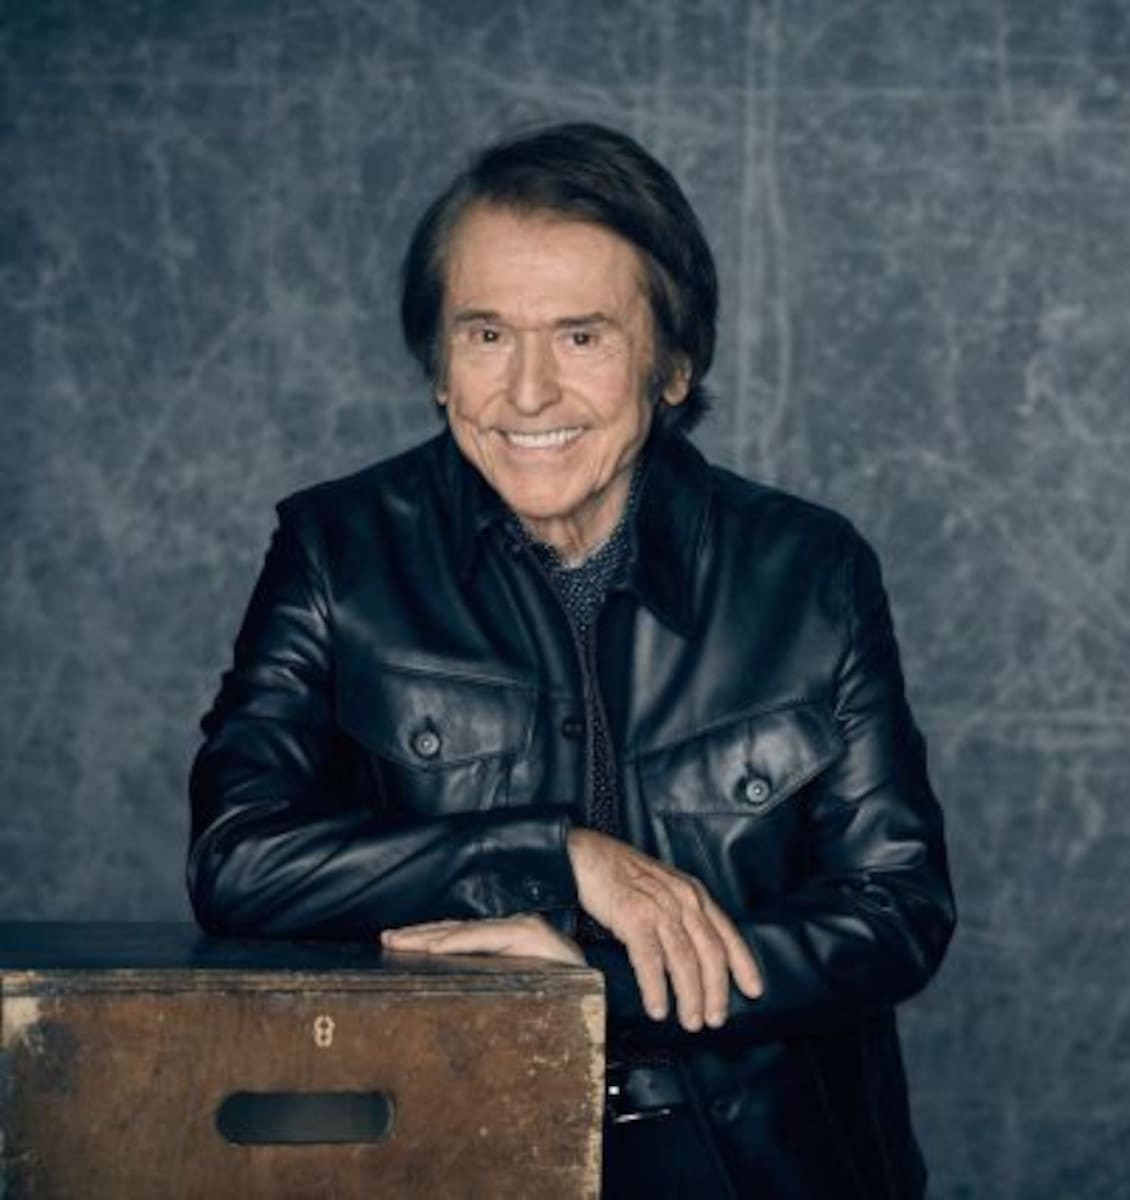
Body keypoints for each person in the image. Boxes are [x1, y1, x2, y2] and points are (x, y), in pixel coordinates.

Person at [188, 121, 955, 1198]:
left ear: (673, 365)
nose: (528, 394)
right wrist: (557, 854)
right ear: (439, 364)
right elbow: (237, 860)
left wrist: (593, 989)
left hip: (754, 1161)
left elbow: (896, 909)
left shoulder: (809, 570)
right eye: (486, 335)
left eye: (583, 337)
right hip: (441, 1146)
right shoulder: (337, 552)